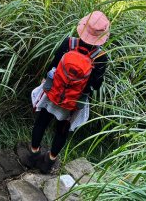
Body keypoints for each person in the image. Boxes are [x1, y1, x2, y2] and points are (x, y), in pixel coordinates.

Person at [26, 10, 110, 173]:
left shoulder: (69, 43)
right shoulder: (101, 57)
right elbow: (96, 85)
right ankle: (48, 162)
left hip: (53, 92)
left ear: (83, 27)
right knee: (62, 130)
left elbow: (54, 64)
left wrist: (47, 80)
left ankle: (34, 156)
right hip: (74, 101)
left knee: (42, 121)